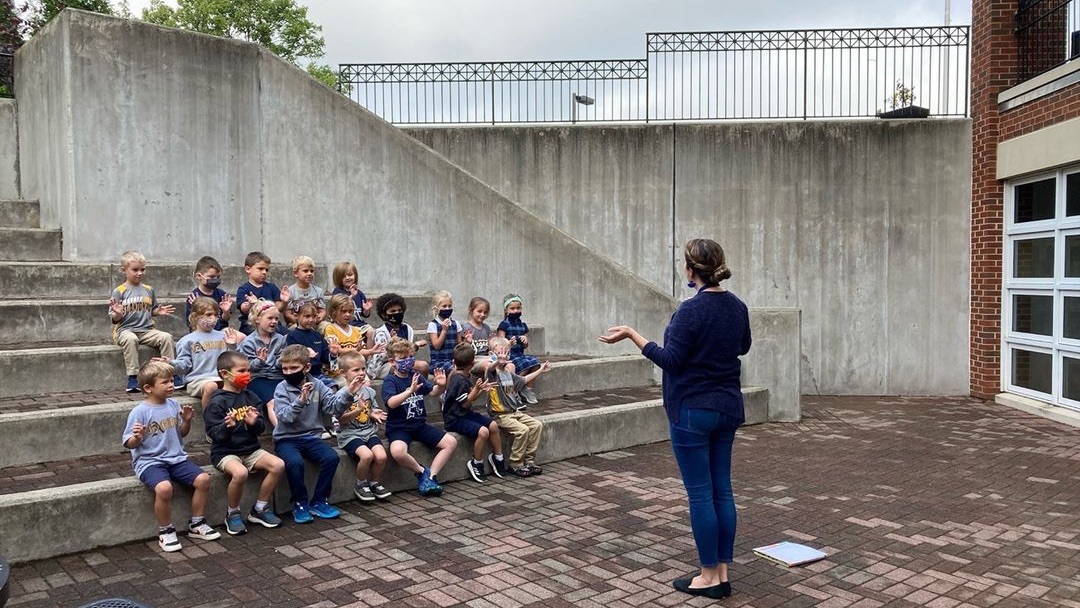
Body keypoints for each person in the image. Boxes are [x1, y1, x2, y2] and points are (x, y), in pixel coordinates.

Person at [598, 237, 751, 600]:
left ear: (689, 270)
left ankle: (708, 576)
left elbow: (671, 361)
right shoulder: (737, 306)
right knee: (721, 489)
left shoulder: (690, 311)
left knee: (700, 495)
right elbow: (742, 346)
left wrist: (634, 334)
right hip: (727, 406)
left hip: (691, 411)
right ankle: (723, 573)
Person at [122, 360, 220, 553]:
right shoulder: (140, 412)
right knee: (164, 488)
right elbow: (128, 443)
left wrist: (186, 421)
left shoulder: (174, 404)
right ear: (148, 388)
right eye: (165, 382)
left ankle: (197, 523)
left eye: (172, 380)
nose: (171, 385)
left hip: (176, 459)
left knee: (203, 480)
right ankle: (166, 530)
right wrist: (137, 437)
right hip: (149, 462)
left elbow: (181, 433)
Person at [273, 344, 362, 523]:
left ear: (306, 368)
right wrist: (300, 401)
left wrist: (349, 392)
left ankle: (319, 500)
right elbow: (284, 417)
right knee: (295, 463)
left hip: (312, 437)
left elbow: (332, 408)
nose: (288, 372)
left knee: (331, 457)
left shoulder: (318, 384)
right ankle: (299, 502)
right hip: (287, 439)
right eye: (285, 368)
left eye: (293, 368)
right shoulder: (281, 388)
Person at [203, 351, 285, 535]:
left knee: (278, 465)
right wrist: (228, 427)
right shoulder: (217, 402)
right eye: (241, 370)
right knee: (240, 473)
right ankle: (232, 513)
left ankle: (260, 508)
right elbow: (213, 435)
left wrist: (254, 422)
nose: (247, 374)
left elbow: (261, 429)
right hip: (225, 452)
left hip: (251, 449)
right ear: (225, 374)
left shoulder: (252, 397)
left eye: (248, 370)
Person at [381, 337, 453, 496]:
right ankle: (421, 472)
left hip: (419, 425)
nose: (408, 360)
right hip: (399, 427)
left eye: (410, 356)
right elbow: (391, 403)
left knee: (450, 442)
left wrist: (441, 385)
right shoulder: (390, 381)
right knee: (398, 452)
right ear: (393, 362)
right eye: (403, 358)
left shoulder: (416, 375)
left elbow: (433, 392)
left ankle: (432, 476)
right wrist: (409, 391)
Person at [108, 250, 179, 393]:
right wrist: (118, 314)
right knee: (131, 339)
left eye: (142, 269)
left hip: (147, 330)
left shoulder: (148, 289)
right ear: (124, 270)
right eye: (135, 270)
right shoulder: (119, 291)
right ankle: (133, 377)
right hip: (125, 330)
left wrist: (157, 312)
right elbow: (114, 319)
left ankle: (172, 372)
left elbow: (151, 309)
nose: (139, 273)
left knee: (166, 337)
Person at [483, 337, 550, 477]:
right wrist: (496, 362)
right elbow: (489, 369)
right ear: (491, 355)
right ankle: (515, 463)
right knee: (523, 430)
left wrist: (541, 370)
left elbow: (524, 380)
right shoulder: (492, 374)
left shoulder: (508, 373)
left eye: (507, 353)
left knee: (537, 425)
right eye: (499, 353)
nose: (504, 357)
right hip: (500, 415)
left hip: (514, 412)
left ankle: (529, 461)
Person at [332, 351, 392, 502]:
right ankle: (361, 484)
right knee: (367, 455)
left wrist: (374, 414)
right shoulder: (341, 395)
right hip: (349, 435)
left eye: (363, 369)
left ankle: (375, 483)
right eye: (355, 370)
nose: (361, 373)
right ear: (343, 373)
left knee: (381, 456)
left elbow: (372, 409)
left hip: (369, 432)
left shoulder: (369, 391)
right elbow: (340, 420)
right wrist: (358, 410)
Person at [443, 343, 504, 481]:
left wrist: (481, 389)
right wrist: (477, 390)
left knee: (493, 426)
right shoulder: (458, 379)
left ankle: (498, 458)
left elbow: (470, 399)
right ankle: (476, 463)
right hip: (454, 419)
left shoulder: (465, 375)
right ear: (471, 363)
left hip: (465, 414)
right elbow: (465, 403)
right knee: (483, 432)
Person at [169, 297, 241, 410]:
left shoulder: (223, 336)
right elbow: (184, 365)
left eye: (216, 315)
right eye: (208, 315)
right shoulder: (187, 340)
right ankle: (210, 419)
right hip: (198, 380)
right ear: (195, 316)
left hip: (222, 378)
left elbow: (233, 361)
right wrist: (170, 363)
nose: (213, 318)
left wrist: (232, 346)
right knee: (211, 386)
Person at [238, 300, 288, 423]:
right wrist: (260, 361)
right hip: (258, 378)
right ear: (257, 319)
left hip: (277, 377)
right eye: (270, 318)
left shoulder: (280, 339)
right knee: (273, 401)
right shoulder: (249, 342)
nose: (274, 322)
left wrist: (282, 360)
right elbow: (247, 366)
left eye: (276, 319)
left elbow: (279, 364)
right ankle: (282, 432)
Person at [367, 293, 428, 379]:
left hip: (402, 360)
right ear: (384, 314)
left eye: (399, 311)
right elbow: (381, 356)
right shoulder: (381, 332)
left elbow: (408, 353)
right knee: (408, 368)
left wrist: (415, 346)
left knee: (423, 366)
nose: (397, 313)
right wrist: (392, 344)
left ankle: (422, 390)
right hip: (383, 366)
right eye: (392, 311)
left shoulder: (407, 329)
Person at [496, 294, 539, 404]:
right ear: (506, 310)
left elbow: (525, 346)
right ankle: (515, 389)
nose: (516, 311)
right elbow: (500, 345)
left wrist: (525, 340)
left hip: (520, 354)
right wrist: (509, 343)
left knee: (535, 363)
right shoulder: (504, 325)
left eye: (518, 308)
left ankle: (527, 390)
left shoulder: (522, 325)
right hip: (509, 356)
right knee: (522, 364)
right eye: (512, 308)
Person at [236, 251, 289, 336]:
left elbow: (279, 308)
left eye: (266, 270)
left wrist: (284, 302)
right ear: (248, 269)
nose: (264, 272)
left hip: (273, 324)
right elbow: (244, 309)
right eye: (260, 269)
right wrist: (251, 304)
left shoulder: (271, 287)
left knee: (288, 335)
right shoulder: (244, 289)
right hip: (251, 326)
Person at [183, 255, 235, 332]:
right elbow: (191, 324)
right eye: (211, 277)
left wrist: (226, 312)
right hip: (201, 332)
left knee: (240, 337)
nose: (215, 279)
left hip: (219, 331)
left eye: (217, 277)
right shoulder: (194, 297)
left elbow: (225, 320)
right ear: (199, 276)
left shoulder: (222, 295)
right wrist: (197, 308)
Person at [426, 291, 465, 373]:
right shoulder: (433, 325)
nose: (447, 308)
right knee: (453, 369)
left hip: (453, 360)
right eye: (444, 306)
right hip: (438, 362)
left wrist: (467, 341)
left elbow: (459, 345)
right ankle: (449, 386)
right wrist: (444, 330)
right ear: (437, 308)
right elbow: (436, 346)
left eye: (449, 306)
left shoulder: (455, 324)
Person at [283, 255, 327, 328]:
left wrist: (319, 317)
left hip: (314, 323)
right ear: (295, 273)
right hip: (297, 324)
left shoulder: (318, 291)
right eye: (305, 271)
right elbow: (287, 313)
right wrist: (301, 321)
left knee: (326, 326)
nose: (309, 273)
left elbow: (322, 311)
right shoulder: (290, 292)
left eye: (312, 271)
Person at [330, 261, 372, 329]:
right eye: (344, 276)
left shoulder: (359, 293)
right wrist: (352, 296)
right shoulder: (337, 291)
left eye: (350, 275)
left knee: (371, 330)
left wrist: (366, 310)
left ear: (355, 275)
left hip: (358, 323)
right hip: (343, 324)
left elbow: (365, 315)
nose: (347, 278)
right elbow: (339, 306)